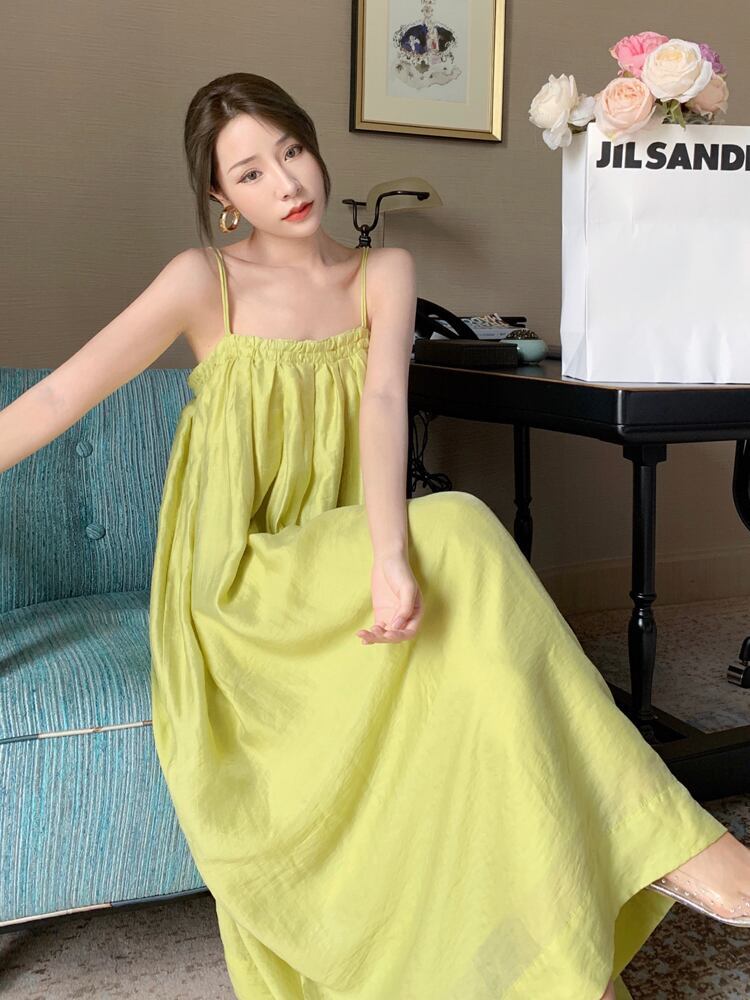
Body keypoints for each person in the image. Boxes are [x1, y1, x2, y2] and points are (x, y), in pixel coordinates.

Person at [2, 70, 750, 1000]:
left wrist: (390, 556)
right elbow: (61, 395)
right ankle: (669, 842)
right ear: (221, 197)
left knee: (484, 664)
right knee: (465, 527)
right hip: (238, 579)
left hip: (347, 547)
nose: (285, 182)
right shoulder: (204, 281)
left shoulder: (382, 274)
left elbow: (386, 402)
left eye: (291, 150)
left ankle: (561, 957)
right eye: (250, 172)